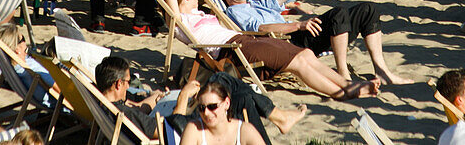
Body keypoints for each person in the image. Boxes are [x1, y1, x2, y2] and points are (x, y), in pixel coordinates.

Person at [164, 0, 380, 100]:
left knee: (305, 54)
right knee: (297, 64)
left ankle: (346, 84)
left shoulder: (200, 14)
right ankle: (340, 93)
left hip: (246, 40)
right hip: (233, 50)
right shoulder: (179, 21)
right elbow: (171, 3)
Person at [216, 0, 411, 85]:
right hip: (289, 43)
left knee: (367, 9)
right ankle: (343, 73)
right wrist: (299, 25)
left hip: (301, 33)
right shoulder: (235, 12)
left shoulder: (255, 3)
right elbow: (262, 29)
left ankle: (382, 71)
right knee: (339, 14)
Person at [94, 56, 306, 143]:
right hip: (178, 128)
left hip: (166, 118)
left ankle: (278, 117)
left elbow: (139, 114)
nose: (130, 85)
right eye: (128, 81)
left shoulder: (106, 105)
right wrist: (183, 97)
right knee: (221, 79)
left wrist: (152, 98)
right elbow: (165, 130)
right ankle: (278, 116)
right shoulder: (124, 113)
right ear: (118, 84)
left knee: (243, 99)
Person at [179, 80, 267, 145]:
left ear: (226, 104)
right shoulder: (194, 130)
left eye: (212, 107)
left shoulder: (244, 131)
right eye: (202, 108)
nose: (206, 113)